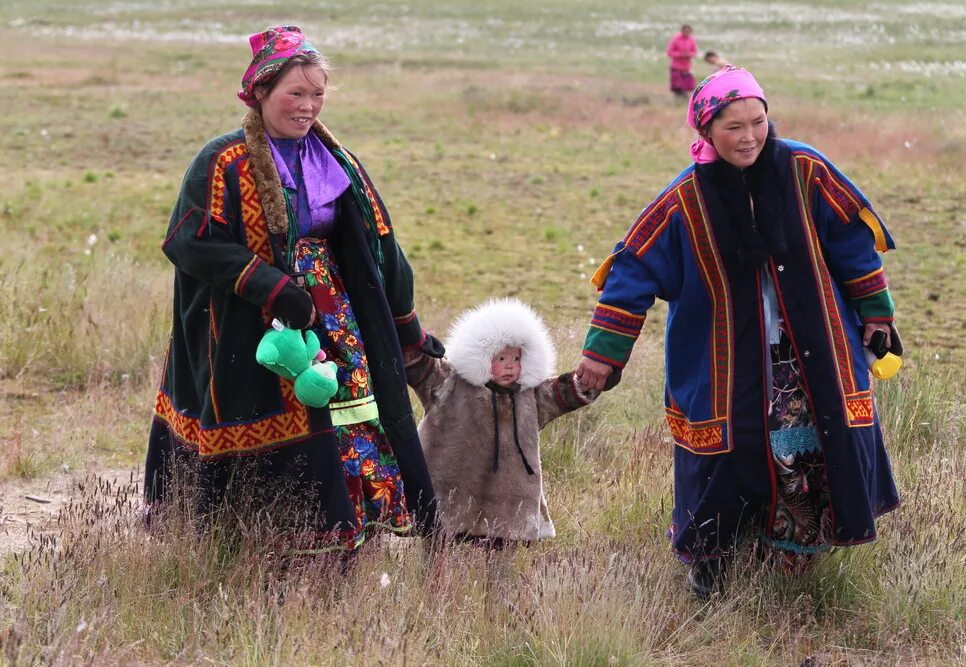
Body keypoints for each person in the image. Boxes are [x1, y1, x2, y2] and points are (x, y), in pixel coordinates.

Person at [575, 66, 901, 597]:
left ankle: (793, 556)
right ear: (706, 130)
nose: (749, 137)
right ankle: (714, 562)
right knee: (728, 452)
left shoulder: (806, 170)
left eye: (758, 122)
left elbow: (852, 241)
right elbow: (632, 271)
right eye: (733, 127)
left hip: (809, 348)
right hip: (722, 360)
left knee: (810, 443)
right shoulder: (683, 200)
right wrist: (602, 354)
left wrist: (877, 313)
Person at [144, 25, 440, 554]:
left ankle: (341, 536)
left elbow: (381, 244)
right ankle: (252, 541)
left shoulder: (337, 161)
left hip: (335, 319)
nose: (307, 106)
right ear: (260, 91)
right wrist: (271, 284)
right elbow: (189, 239)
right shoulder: (223, 161)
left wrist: (407, 327)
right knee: (266, 417)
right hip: (244, 324)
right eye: (295, 93)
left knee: (339, 409)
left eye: (317, 94)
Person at [405, 298, 600, 547]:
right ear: (481, 356)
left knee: (503, 547)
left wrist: (591, 379)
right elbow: (418, 366)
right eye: (500, 359)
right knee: (438, 542)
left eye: (516, 358)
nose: (509, 365)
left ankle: (498, 571)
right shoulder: (449, 384)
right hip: (452, 487)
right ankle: (436, 570)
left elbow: (565, 393)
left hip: (509, 497)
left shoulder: (531, 397)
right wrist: (408, 333)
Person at [666, 24, 698, 101]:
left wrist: (688, 55)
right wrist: (680, 55)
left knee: (688, 86)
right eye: (685, 31)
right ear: (682, 31)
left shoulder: (692, 40)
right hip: (676, 67)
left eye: (688, 31)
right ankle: (678, 101)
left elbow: (695, 52)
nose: (687, 33)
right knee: (677, 87)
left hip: (687, 67)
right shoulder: (675, 39)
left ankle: (685, 101)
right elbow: (669, 52)